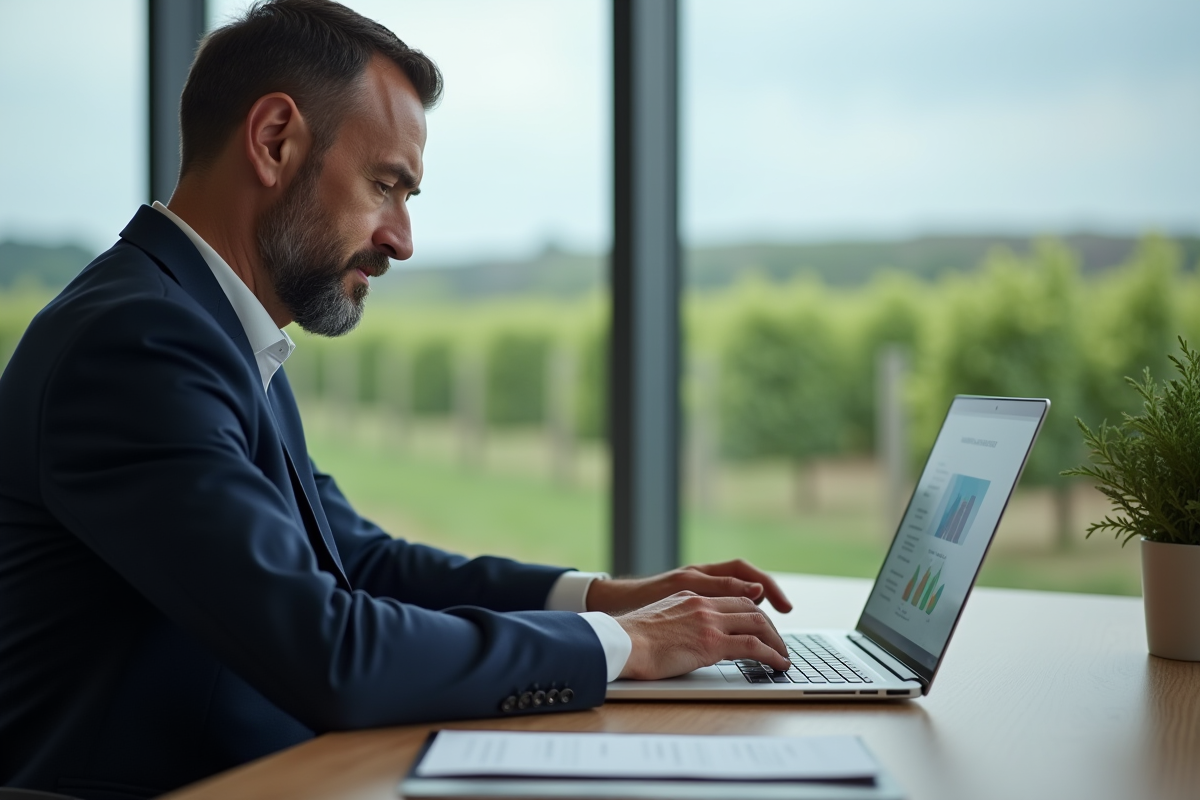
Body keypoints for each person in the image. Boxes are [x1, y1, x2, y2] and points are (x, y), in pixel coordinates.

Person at [0, 1, 793, 797]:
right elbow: (330, 652)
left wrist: (604, 599)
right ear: (274, 141)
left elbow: (360, 561)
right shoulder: (140, 344)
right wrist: (620, 645)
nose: (401, 239)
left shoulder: (201, 327)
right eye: (387, 185)